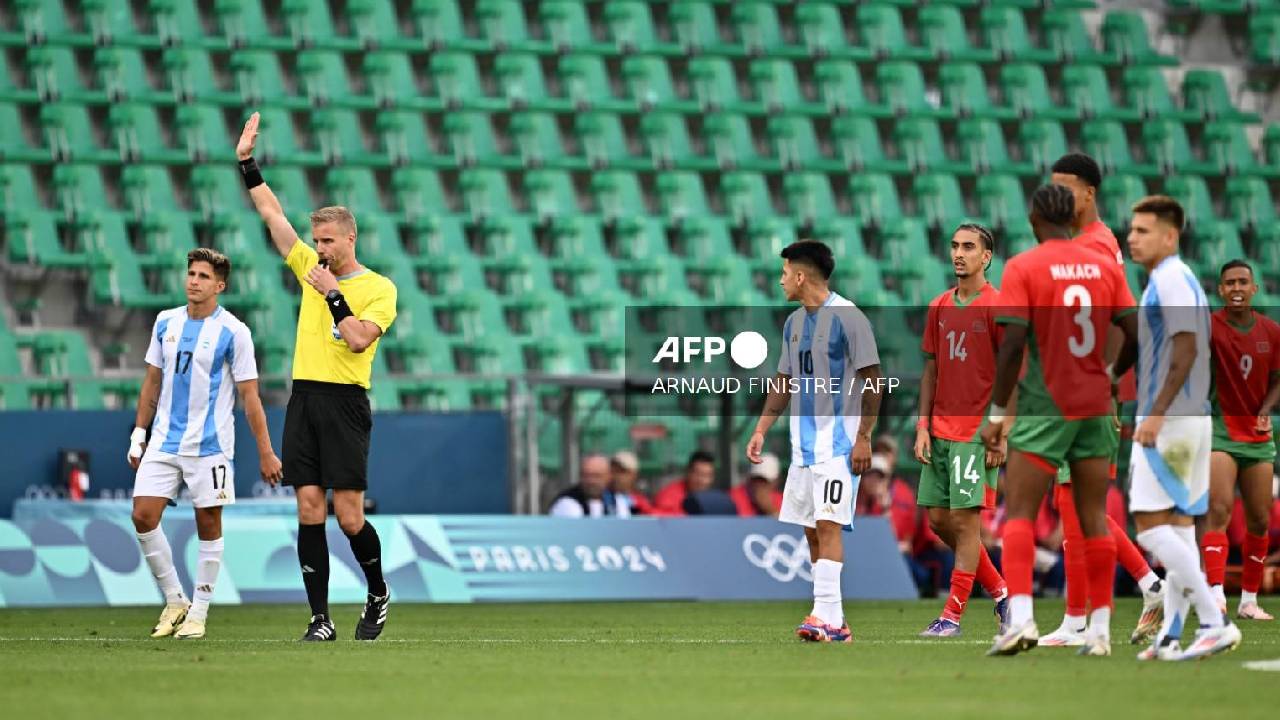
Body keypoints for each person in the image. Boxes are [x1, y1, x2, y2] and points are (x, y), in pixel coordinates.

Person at [237, 113, 398, 642]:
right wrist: (247, 163)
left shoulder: (378, 288)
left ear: (351, 238)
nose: (320, 249)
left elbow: (357, 339)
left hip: (346, 402)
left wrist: (332, 294)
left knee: (348, 516)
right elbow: (272, 215)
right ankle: (320, 618)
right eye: (316, 240)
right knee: (308, 507)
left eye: (328, 240)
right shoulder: (308, 265)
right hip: (304, 398)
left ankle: (377, 591)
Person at [982, 184, 1140, 657]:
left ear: (1035, 220)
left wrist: (998, 413)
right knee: (1094, 518)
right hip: (1096, 405)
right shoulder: (1104, 266)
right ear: (1073, 220)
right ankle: (1100, 631)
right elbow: (1134, 332)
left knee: (1020, 514)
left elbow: (1012, 345)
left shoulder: (1023, 266)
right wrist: (1111, 376)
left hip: (1046, 406)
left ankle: (1022, 622)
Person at [1040, 153, 1166, 648]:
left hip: (1088, 395)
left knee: (1082, 504)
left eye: (1066, 187)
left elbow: (1117, 321)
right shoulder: (1093, 242)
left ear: (1089, 192)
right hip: (1078, 390)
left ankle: (1125, 596)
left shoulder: (1092, 245)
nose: (1057, 196)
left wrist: (1109, 383)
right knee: (1072, 503)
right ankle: (1087, 613)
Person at [127, 249, 283, 640]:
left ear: (220, 286)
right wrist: (139, 433)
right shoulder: (165, 322)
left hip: (210, 444)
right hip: (164, 440)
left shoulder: (234, 332)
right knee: (142, 515)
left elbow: (250, 396)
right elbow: (152, 381)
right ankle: (175, 600)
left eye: (203, 276)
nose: (194, 281)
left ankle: (198, 613)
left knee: (208, 524)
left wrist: (266, 451)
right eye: (191, 274)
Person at [746, 239, 881, 643]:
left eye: (785, 272)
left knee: (828, 525)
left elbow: (874, 381)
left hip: (838, 445)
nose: (781, 280)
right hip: (802, 448)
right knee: (811, 530)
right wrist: (761, 428)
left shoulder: (848, 318)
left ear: (802, 276)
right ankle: (836, 622)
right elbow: (784, 381)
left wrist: (864, 437)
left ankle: (822, 614)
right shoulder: (793, 324)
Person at [1125, 197, 1242, 661]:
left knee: (1150, 529)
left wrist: (1155, 413)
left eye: (1143, 230)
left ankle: (1214, 622)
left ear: (1169, 236)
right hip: (1191, 417)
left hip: (1171, 420)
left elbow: (1186, 349)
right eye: (1132, 229)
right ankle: (1170, 635)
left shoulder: (1170, 278)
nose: (1132, 237)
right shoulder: (1180, 277)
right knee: (1178, 529)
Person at [914, 223, 1010, 637]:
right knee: (939, 521)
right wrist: (922, 426)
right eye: (955, 246)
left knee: (965, 522)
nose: (959, 253)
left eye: (969, 247)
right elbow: (931, 371)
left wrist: (1001, 429)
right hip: (939, 429)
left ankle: (952, 615)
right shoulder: (939, 306)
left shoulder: (999, 306)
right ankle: (1003, 594)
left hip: (976, 430)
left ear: (986, 257)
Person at [1203, 259, 1280, 621]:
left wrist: (1266, 407)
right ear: (1221, 290)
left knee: (1260, 519)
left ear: (1254, 288)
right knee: (1218, 509)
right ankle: (1215, 594)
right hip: (1221, 431)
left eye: (1242, 282)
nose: (1236, 288)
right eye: (1230, 283)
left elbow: (1278, 379)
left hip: (1258, 436)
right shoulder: (1209, 327)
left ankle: (1249, 600)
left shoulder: (1271, 331)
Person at [549, 454, 630, 517]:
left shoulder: (617, 502)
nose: (591, 481)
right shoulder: (567, 502)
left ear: (609, 476)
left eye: (597, 476)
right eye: (586, 476)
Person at [653, 451, 716, 515]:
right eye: (698, 474)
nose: (702, 481)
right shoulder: (669, 496)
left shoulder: (713, 500)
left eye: (707, 475)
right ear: (688, 472)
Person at [730, 453, 784, 517]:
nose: (759, 485)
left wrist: (770, 509)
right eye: (755, 479)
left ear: (775, 482)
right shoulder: (734, 497)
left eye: (765, 481)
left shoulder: (781, 501)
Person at [610, 451, 655, 515]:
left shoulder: (641, 503)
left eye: (622, 471)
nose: (616, 475)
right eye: (612, 471)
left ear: (634, 474)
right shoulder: (603, 499)